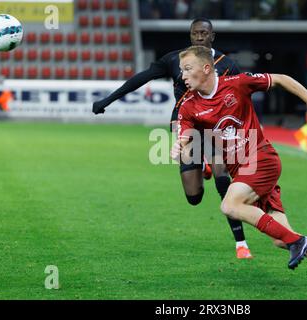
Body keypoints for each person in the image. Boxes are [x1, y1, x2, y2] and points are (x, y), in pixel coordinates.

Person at [173, 46, 307, 289]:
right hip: (244, 174)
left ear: (206, 68)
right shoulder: (188, 105)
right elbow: (184, 138)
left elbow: (282, 79)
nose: (182, 76)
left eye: (187, 69)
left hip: (261, 160)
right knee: (282, 238)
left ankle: (299, 243)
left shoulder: (236, 84)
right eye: (181, 71)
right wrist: (180, 148)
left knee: (229, 205)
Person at [92, 18, 253, 259]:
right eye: (195, 33)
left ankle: (241, 244)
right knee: (194, 197)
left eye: (204, 33)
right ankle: (203, 166)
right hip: (185, 125)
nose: (199, 37)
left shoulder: (226, 64)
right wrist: (107, 100)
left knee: (223, 179)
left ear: (212, 36)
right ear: (190, 36)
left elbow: (242, 97)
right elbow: (142, 78)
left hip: (216, 125)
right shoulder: (175, 60)